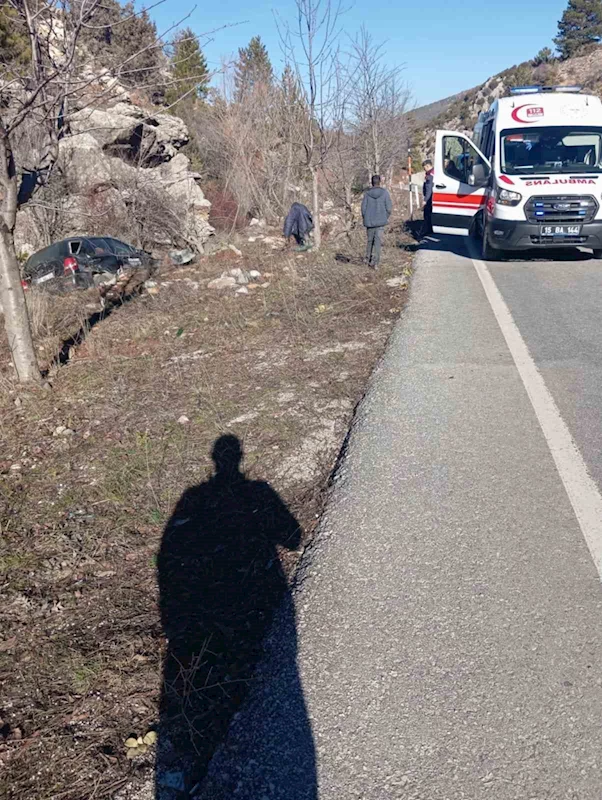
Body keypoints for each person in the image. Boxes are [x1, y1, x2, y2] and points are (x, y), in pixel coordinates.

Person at [361, 175, 392, 269]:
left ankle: (367, 259)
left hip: (369, 221)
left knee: (370, 241)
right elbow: (389, 208)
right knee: (378, 242)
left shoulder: (367, 194)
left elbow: (363, 209)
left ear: (371, 182)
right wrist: (384, 217)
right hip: (380, 221)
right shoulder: (385, 193)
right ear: (380, 182)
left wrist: (365, 217)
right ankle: (376, 262)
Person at [421, 159, 434, 237]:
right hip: (432, 198)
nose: (424, 169)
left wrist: (425, 200)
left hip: (429, 199)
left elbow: (429, 189)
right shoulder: (433, 173)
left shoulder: (430, 176)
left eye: (424, 168)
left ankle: (428, 231)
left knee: (427, 214)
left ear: (428, 166)